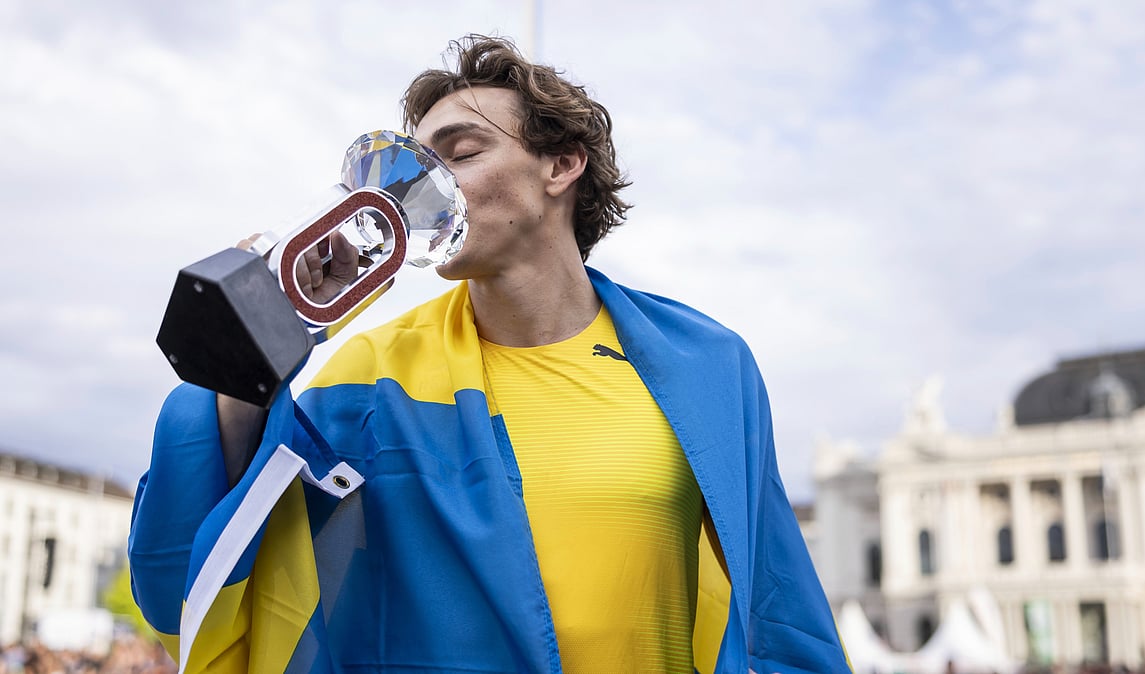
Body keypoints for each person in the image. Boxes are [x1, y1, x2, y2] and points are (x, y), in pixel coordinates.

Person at [129, 35, 851, 673]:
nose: (414, 190)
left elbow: (780, 609)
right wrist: (266, 330)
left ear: (562, 165)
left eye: (461, 154)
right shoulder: (371, 376)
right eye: (406, 166)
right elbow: (200, 575)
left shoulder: (706, 368)